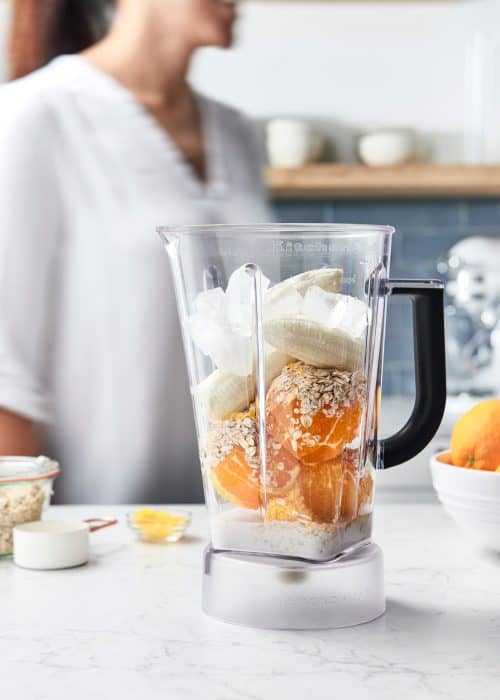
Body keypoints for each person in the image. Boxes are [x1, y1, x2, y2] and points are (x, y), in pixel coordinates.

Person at [0, 0, 271, 504]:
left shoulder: (238, 135)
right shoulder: (32, 117)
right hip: (94, 538)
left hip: (233, 529)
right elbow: (4, 377)